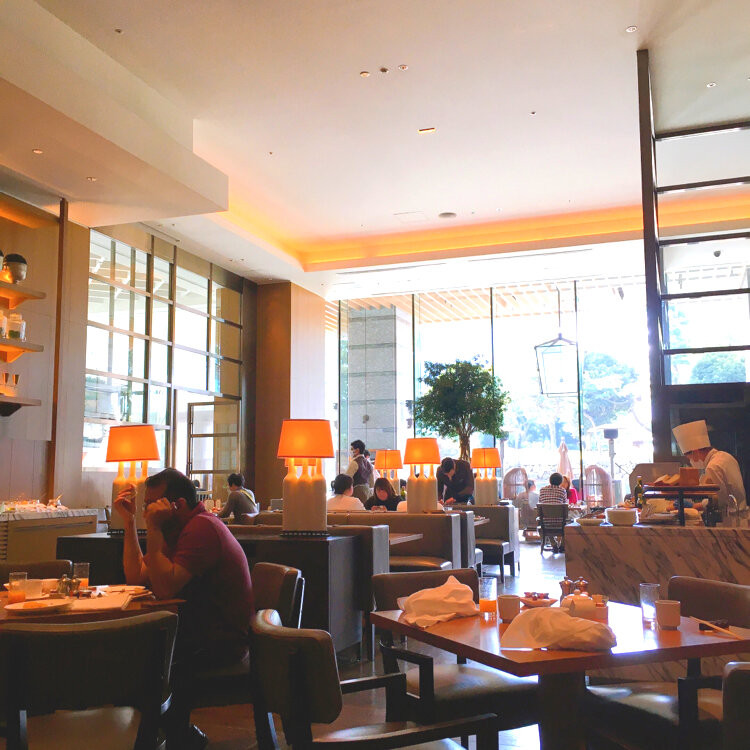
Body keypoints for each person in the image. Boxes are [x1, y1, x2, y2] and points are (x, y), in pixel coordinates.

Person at [114, 468, 254, 750]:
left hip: (221, 642)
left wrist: (153, 529)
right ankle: (175, 734)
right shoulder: (179, 528)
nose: (147, 511)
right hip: (197, 634)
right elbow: (136, 575)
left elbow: (165, 589)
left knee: (140, 660)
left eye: (150, 504)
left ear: (175, 505)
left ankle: (164, 737)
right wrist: (129, 522)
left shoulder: (202, 528)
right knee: (135, 654)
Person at [673, 420, 747, 512]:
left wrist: (693, 506)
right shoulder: (725, 456)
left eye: (689, 457)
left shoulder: (712, 467)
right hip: (741, 512)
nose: (690, 461)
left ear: (695, 451)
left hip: (730, 515)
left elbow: (718, 501)